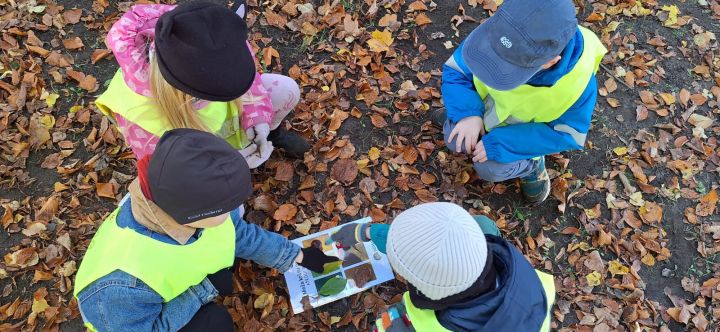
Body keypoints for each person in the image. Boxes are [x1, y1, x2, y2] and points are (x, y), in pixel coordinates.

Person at [73, 129, 337, 332]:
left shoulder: (187, 204)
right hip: (127, 320)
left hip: (157, 287)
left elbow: (240, 234)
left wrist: (296, 256)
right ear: (192, 217)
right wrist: (200, 291)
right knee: (215, 322)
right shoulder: (120, 288)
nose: (235, 211)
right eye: (225, 208)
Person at [95, 1, 310, 168]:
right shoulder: (142, 122)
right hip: (200, 162)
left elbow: (248, 78)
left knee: (286, 90)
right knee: (232, 209)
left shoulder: (211, 36)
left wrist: (258, 118)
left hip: (222, 128)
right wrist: (228, 167)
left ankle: (271, 133)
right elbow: (173, 174)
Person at [433, 0, 607, 204]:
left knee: (489, 168)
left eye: (508, 67)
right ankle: (465, 119)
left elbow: (568, 134)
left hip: (521, 136)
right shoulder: (499, 33)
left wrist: (503, 144)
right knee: (455, 139)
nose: (497, 66)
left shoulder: (579, 84)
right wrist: (467, 114)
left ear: (551, 62)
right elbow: (457, 69)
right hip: (480, 111)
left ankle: (531, 167)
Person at [329, 202, 555, 331]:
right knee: (484, 223)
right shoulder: (494, 253)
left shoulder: (440, 325)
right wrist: (364, 232)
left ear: (428, 289)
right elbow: (424, 242)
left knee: (389, 326)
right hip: (522, 310)